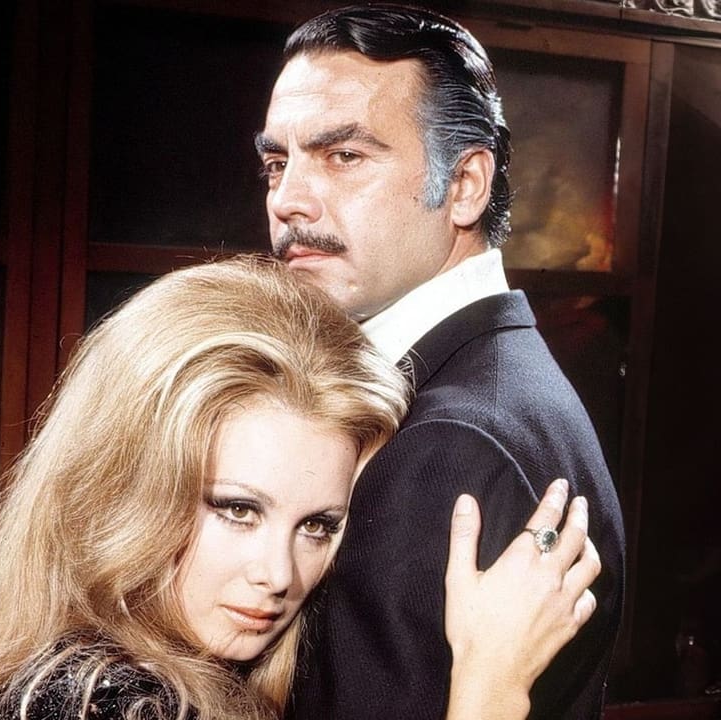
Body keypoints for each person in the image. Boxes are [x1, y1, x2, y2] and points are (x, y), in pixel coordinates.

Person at [0, 256, 600, 720]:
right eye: (237, 509)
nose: (279, 576)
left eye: (317, 525)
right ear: (125, 490)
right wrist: (491, 687)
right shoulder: (105, 702)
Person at [254, 5, 625, 718]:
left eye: (344, 156)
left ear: (464, 187)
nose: (289, 201)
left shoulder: (449, 446)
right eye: (277, 163)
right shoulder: (491, 383)